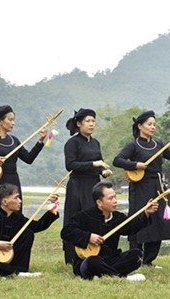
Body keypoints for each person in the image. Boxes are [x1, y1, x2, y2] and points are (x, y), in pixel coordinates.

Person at [112, 110, 170, 267]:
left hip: (158, 186)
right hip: (140, 187)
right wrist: (135, 165)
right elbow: (117, 160)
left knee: (159, 222)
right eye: (149, 124)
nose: (153, 127)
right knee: (138, 219)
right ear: (140, 126)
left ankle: (148, 260)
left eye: (154, 124)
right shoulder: (133, 145)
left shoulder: (159, 144)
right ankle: (135, 258)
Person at [60, 181, 158, 280]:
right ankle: (121, 278)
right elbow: (66, 232)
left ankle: (103, 275)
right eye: (111, 198)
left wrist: (146, 213)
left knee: (137, 255)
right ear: (99, 202)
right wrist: (88, 237)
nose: (115, 201)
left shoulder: (118, 217)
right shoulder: (84, 216)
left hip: (111, 259)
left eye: (115, 197)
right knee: (92, 262)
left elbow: (132, 227)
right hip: (88, 261)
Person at [0, 183, 59, 277]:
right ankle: (17, 273)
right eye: (16, 198)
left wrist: (54, 206)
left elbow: (38, 226)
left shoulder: (18, 218)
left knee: (28, 234)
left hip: (10, 261)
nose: (20, 201)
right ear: (5, 201)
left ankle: (19, 271)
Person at [63, 108, 112, 264]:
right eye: (88, 121)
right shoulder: (72, 143)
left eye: (93, 121)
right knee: (76, 217)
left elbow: (100, 164)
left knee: (94, 217)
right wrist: (94, 163)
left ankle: (93, 252)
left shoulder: (95, 142)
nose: (91, 124)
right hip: (77, 185)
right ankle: (72, 256)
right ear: (79, 124)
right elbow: (70, 165)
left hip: (94, 184)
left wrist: (104, 170)